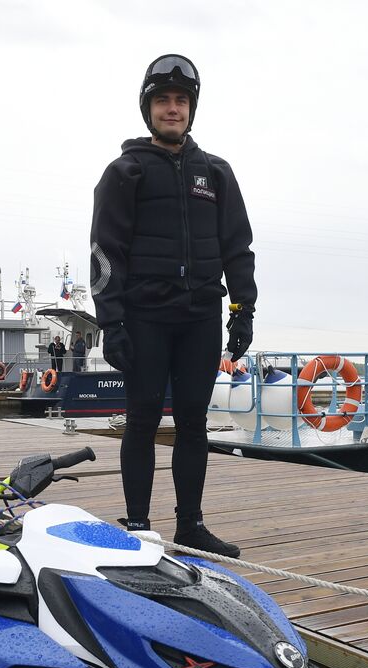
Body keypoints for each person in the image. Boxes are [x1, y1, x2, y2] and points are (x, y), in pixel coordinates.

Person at [90, 54, 256, 558]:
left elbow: (238, 247)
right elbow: (104, 253)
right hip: (145, 317)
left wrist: (242, 309)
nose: (172, 109)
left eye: (180, 101)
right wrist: (111, 323)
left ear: (191, 109)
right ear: (149, 108)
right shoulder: (125, 172)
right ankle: (139, 525)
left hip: (201, 316)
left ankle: (191, 525)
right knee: (140, 419)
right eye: (163, 100)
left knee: (193, 423)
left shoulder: (217, 174)